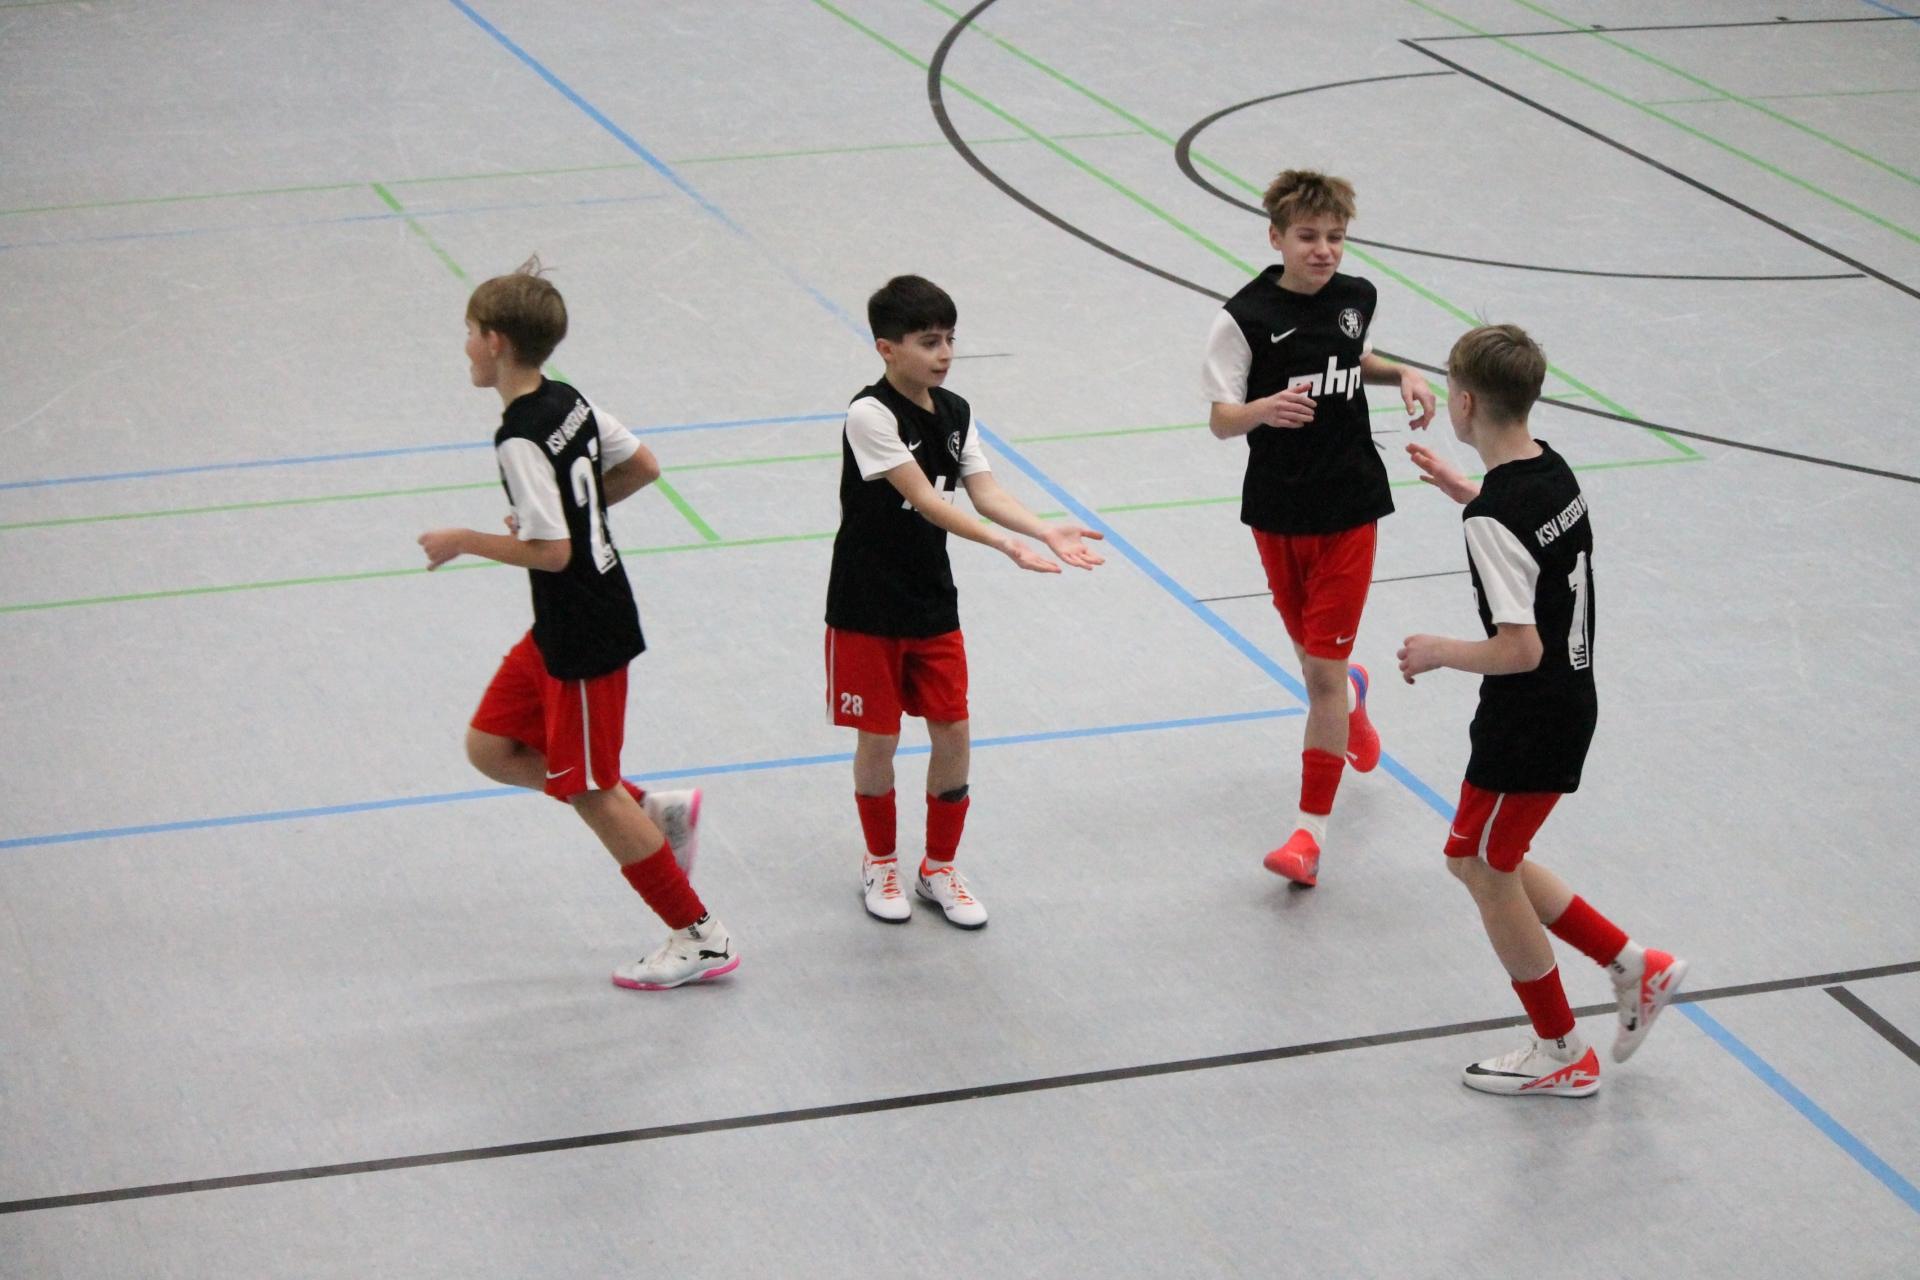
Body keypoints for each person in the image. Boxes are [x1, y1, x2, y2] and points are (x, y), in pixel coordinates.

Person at [417, 256, 737, 991]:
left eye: (469, 332)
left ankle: (699, 936)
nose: (464, 346)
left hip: (584, 630)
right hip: (563, 624)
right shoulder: (568, 400)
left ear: (496, 342)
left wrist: (465, 539)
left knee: (591, 791)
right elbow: (643, 465)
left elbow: (554, 552)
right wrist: (560, 516)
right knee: (492, 747)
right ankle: (650, 809)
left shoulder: (519, 436)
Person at [1400, 323, 1686, 1096]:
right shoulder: (1552, 470)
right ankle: (1634, 965)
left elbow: (1519, 648)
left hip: (1529, 716)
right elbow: (1538, 545)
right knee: (1481, 859)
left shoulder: (1494, 519)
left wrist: (1439, 650)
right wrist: (1468, 490)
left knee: (1486, 870)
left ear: (1464, 403)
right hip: (1564, 702)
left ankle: (1562, 1052)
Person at [827, 275, 1104, 927]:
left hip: (931, 599)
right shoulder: (870, 415)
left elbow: (985, 491)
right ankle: (880, 862)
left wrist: (1040, 529)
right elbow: (926, 499)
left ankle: (939, 868)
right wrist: (1006, 547)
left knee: (952, 730)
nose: (945, 353)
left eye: (950, 339)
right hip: (867, 604)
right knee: (879, 737)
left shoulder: (955, 411)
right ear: (887, 348)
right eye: (929, 342)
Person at [1202, 169, 1437, 886]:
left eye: (1336, 237)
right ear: (1276, 238)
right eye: (1308, 236)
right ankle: (1353, 698)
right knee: (1317, 668)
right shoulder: (1242, 318)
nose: (1324, 250)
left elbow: (1350, 357)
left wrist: (1403, 375)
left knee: (1321, 678)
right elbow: (1221, 419)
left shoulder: (1355, 297)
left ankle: (1309, 835)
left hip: (1350, 506)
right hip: (1277, 511)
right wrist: (1263, 409)